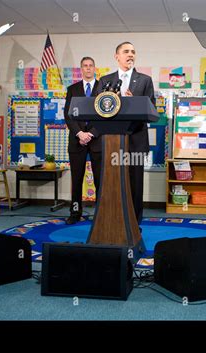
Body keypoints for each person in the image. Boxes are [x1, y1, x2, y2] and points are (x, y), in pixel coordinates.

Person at [97, 42, 155, 224]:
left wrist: (135, 103)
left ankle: (135, 222)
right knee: (111, 181)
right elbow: (97, 108)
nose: (130, 55)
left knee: (135, 183)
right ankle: (111, 219)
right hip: (111, 141)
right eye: (126, 51)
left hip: (136, 140)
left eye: (133, 52)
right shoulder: (105, 81)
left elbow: (152, 111)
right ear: (117, 56)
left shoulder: (145, 80)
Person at [64, 57, 101, 225]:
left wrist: (91, 134)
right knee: (77, 178)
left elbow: (106, 116)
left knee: (100, 179)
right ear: (81, 69)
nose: (88, 68)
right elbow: (68, 115)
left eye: (90, 65)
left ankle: (101, 212)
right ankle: (75, 212)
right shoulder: (72, 89)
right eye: (85, 66)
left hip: (97, 140)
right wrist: (80, 133)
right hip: (77, 140)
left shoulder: (102, 89)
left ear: (94, 68)